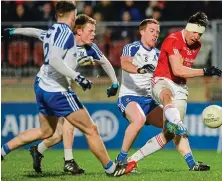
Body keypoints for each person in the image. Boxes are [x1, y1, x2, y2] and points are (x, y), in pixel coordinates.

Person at [1, 1, 135, 177]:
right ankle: (110, 168)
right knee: (91, 129)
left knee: (46, 132)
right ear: (76, 25)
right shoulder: (67, 36)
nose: (94, 34)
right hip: (58, 91)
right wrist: (78, 77)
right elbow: (55, 60)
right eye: (91, 31)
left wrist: (13, 31)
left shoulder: (57, 33)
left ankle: (3, 151)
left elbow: (36, 32)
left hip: (42, 85)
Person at [128, 12, 222, 171]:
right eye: (195, 32)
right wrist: (205, 71)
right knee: (166, 96)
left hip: (180, 87)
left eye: (200, 34)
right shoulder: (173, 40)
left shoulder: (196, 45)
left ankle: (132, 160)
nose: (197, 37)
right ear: (188, 28)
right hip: (162, 80)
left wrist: (202, 72)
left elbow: (182, 72)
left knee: (170, 134)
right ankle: (177, 122)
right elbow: (177, 69)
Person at [116, 18, 183, 164]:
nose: (155, 35)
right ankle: (120, 160)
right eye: (152, 31)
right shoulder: (132, 48)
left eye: (157, 32)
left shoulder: (158, 55)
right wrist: (140, 69)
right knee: (139, 120)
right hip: (129, 97)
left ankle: (191, 163)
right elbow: (125, 64)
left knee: (172, 127)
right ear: (142, 32)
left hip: (149, 101)